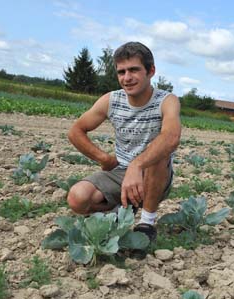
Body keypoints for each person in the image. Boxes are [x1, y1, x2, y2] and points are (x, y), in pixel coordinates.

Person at [67, 41, 181, 241]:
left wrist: (136, 165)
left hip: (154, 173)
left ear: (151, 71)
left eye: (134, 70)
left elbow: (171, 138)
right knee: (77, 199)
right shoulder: (111, 100)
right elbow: (76, 131)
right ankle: (120, 209)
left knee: (158, 151)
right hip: (120, 171)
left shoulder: (167, 100)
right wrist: (104, 158)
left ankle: (146, 222)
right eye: (121, 72)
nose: (127, 78)